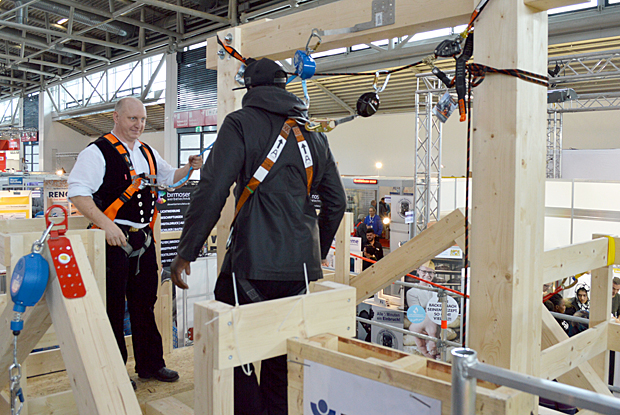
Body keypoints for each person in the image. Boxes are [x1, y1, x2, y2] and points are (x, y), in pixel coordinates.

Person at [168, 58, 346, 415]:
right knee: (282, 356)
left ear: (249, 88)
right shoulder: (313, 133)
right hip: (301, 274)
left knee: (235, 353)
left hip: (250, 268)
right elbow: (337, 204)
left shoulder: (240, 124)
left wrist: (186, 251)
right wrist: (316, 252)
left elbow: (212, 190)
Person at [68, 97, 201, 387]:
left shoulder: (147, 151)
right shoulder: (97, 152)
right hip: (112, 241)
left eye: (142, 119)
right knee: (113, 309)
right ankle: (114, 373)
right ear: (116, 117)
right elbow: (78, 193)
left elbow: (169, 177)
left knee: (144, 304)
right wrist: (107, 225)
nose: (138, 125)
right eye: (132, 119)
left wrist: (188, 168)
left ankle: (151, 365)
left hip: (143, 240)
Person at [406, 261, 441, 359]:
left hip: (434, 326)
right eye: (424, 271)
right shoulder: (412, 292)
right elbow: (417, 314)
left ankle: (432, 348)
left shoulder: (437, 292)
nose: (427, 275)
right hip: (420, 325)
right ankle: (431, 344)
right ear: (418, 271)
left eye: (430, 272)